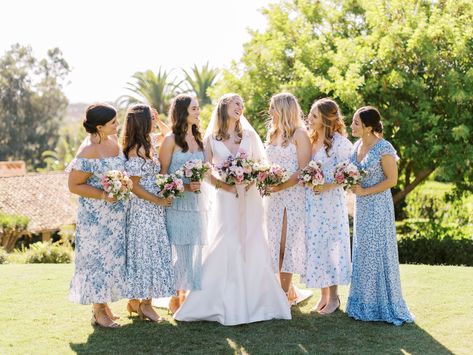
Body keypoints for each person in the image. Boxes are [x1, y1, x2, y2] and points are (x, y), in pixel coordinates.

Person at [173, 93, 291, 325]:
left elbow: (261, 164)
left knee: (253, 240)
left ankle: (262, 300)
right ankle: (216, 301)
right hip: (226, 198)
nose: (241, 106)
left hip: (251, 196)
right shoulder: (211, 139)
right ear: (224, 106)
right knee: (226, 240)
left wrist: (250, 178)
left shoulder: (249, 135)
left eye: (242, 103)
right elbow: (205, 171)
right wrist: (225, 185)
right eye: (236, 102)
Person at [346, 106, 414, 325]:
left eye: (356, 122)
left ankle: (383, 305)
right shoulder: (356, 145)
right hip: (361, 207)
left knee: (377, 252)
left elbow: (392, 180)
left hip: (377, 207)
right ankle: (362, 303)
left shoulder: (384, 147)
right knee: (363, 252)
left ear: (368, 127)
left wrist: (365, 191)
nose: (352, 125)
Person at [67, 103, 126, 328]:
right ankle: (98, 312)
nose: (117, 125)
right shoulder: (88, 151)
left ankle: (105, 306)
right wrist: (103, 194)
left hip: (116, 216)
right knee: (98, 261)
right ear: (99, 127)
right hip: (96, 218)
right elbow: (74, 185)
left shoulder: (113, 142)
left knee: (112, 260)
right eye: (113, 122)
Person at [122, 103, 175, 322]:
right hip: (143, 208)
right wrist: (158, 200)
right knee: (145, 253)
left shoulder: (149, 142)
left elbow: (169, 134)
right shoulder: (135, 148)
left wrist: (158, 119)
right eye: (151, 118)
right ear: (142, 121)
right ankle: (145, 304)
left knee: (152, 252)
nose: (155, 122)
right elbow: (134, 186)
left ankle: (138, 302)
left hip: (154, 209)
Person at [302, 98, 352, 314]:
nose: (309, 119)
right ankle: (323, 296)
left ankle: (334, 298)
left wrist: (326, 185)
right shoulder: (311, 140)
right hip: (312, 204)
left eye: (314, 116)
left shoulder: (341, 144)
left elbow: (349, 176)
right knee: (318, 246)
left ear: (326, 119)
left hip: (330, 204)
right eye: (310, 115)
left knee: (332, 247)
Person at [159, 94, 207, 313]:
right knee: (179, 251)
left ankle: (189, 297)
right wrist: (185, 186)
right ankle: (176, 296)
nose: (198, 112)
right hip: (177, 205)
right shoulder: (170, 140)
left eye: (198, 108)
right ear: (183, 112)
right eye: (194, 109)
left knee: (195, 249)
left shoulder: (200, 139)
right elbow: (161, 177)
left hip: (197, 205)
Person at [264, 93, 311, 304]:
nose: (270, 112)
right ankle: (280, 290)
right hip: (272, 197)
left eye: (273, 108)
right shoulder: (272, 133)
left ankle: (283, 294)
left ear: (283, 109)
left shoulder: (300, 134)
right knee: (272, 242)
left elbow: (304, 170)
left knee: (286, 244)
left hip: (292, 195)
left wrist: (281, 185)